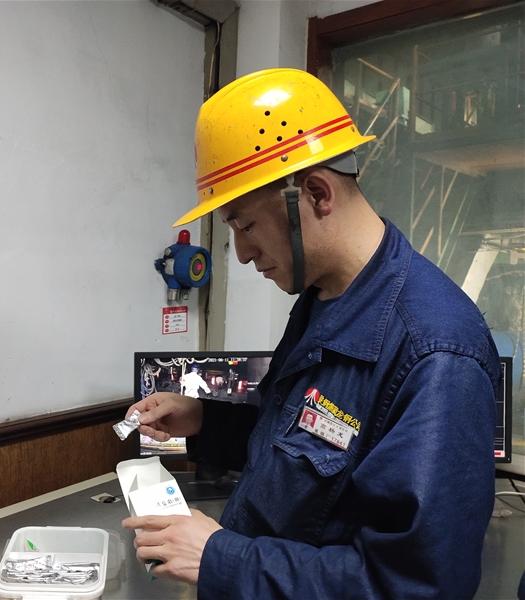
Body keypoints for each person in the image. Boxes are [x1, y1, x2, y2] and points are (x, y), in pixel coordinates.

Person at [121, 68, 500, 599]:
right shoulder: (322, 300)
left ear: (317, 193)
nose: (243, 253)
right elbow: (302, 447)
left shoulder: (436, 354)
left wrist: (221, 559)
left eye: (245, 225)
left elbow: (412, 586)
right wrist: (205, 420)